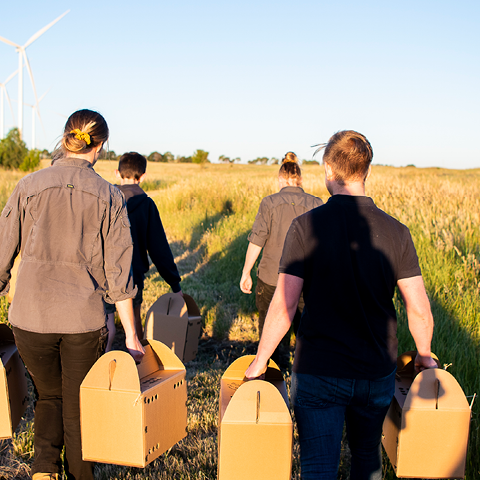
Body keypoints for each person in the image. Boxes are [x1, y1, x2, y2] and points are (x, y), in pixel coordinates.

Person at [246, 130, 438, 479]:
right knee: (366, 457)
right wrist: (424, 355)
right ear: (365, 172)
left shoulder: (306, 226)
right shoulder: (398, 232)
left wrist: (261, 361)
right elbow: (419, 308)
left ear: (328, 171)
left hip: (319, 369)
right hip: (376, 373)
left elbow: (284, 306)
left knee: (319, 465)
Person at [0, 110, 145, 480]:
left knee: (49, 395)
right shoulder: (110, 197)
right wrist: (131, 336)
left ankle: (44, 469)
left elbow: (1, 255)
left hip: (30, 319)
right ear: (100, 145)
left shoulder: (28, 185)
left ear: (66, 137)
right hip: (83, 321)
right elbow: (120, 276)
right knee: (80, 404)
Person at [240, 152, 323, 364]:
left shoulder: (269, 203)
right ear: (300, 180)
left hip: (270, 278)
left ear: (280, 179)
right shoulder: (316, 203)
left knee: (269, 327)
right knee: (306, 330)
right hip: (306, 280)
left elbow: (257, 240)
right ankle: (304, 371)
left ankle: (270, 371)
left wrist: (246, 271)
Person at [105, 152, 182, 350]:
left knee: (105, 323)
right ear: (143, 176)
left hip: (104, 272)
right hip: (133, 274)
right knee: (134, 319)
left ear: (117, 173)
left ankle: (100, 364)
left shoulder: (106, 199)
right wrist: (175, 284)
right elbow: (159, 248)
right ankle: (138, 365)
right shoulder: (147, 205)